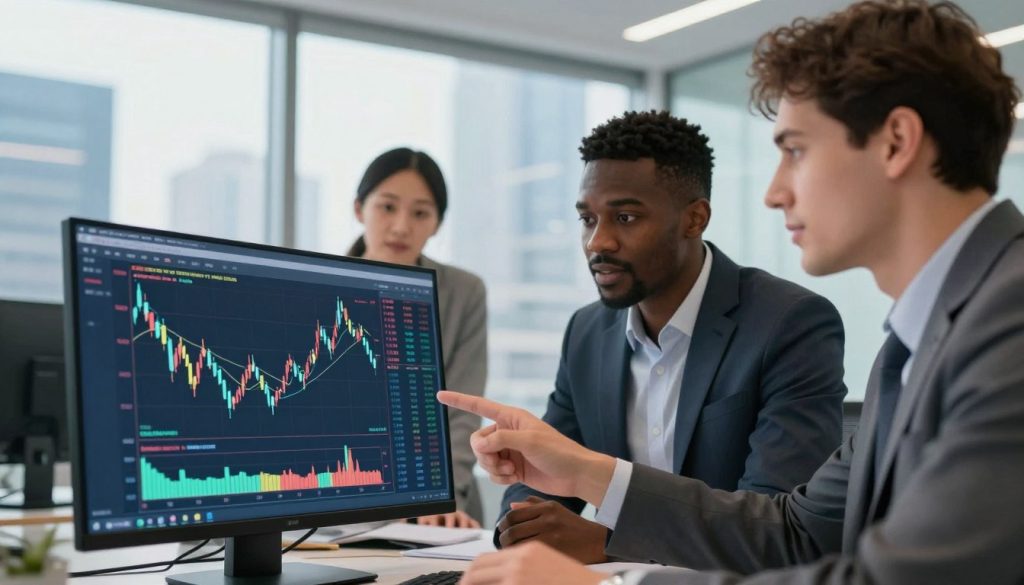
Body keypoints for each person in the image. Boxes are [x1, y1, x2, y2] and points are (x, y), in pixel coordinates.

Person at [440, 0, 1024, 583]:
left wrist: (609, 579)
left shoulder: (1007, 323)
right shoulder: (915, 344)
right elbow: (796, 533)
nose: (774, 193)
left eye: (795, 150)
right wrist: (584, 472)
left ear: (896, 141)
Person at [494, 110, 846, 563]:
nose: (598, 242)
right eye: (587, 219)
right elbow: (545, 472)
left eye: (624, 217)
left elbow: (779, 529)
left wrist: (608, 543)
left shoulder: (790, 323)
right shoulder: (587, 331)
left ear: (694, 219)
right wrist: (525, 524)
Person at [348, 147, 487, 528]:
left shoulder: (464, 292)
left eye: (421, 213)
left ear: (438, 223)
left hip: (441, 506)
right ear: (360, 209)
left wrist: (442, 497)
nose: (401, 226)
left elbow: (463, 411)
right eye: (387, 207)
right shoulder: (316, 284)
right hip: (343, 493)